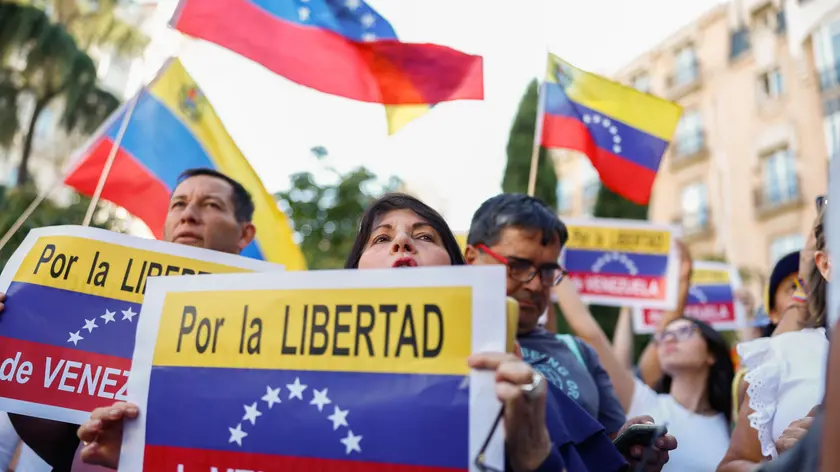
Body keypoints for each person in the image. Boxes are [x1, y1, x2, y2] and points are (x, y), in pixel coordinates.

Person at [0, 167, 259, 470]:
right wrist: (11, 336)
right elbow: (64, 441)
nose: (188, 215)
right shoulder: (106, 309)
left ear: (245, 233)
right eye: (178, 204)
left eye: (211, 205)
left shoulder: (262, 326)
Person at [552, 241, 734, 471]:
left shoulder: (733, 423)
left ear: (711, 354)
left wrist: (683, 281)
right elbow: (591, 334)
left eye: (685, 332)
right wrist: (553, 268)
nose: (669, 339)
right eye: (665, 335)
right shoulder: (644, 403)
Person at [463, 193, 627, 436]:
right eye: (517, 266)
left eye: (548, 271)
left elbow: (613, 453)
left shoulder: (580, 354)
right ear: (472, 259)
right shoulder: (436, 341)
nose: (536, 285)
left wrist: (636, 454)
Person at [717, 207, 830, 471]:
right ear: (825, 264)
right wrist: (791, 462)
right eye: (789, 288)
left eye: (799, 286)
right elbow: (731, 465)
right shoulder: (783, 352)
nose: (796, 293)